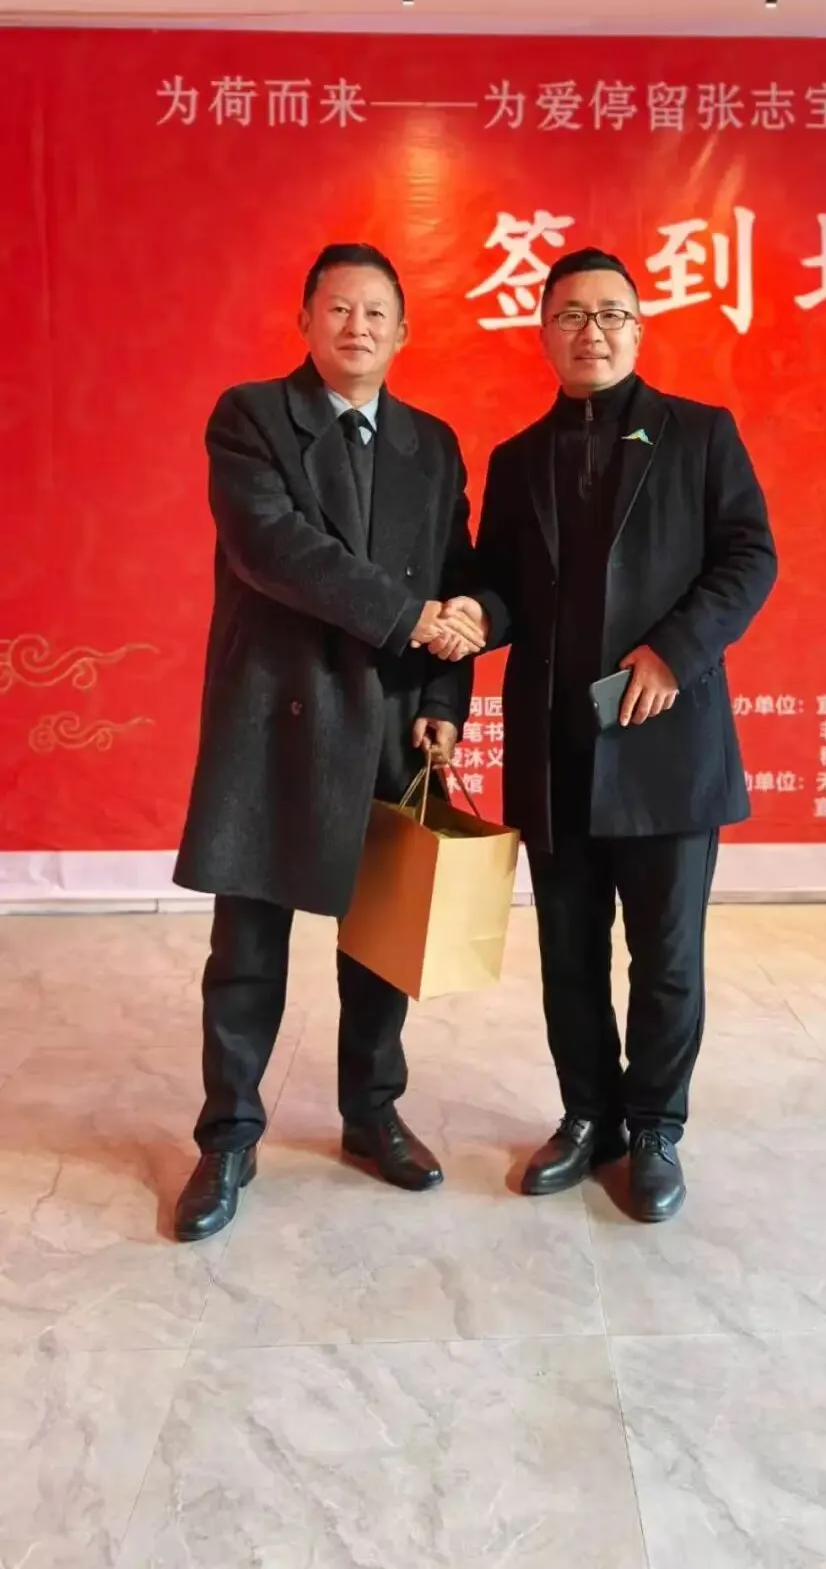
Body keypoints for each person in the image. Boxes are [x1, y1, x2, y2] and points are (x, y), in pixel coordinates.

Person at [172, 242, 483, 1242]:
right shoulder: (252, 417)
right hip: (278, 714)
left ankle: (371, 1113)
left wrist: (446, 693)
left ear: (404, 332)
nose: (358, 327)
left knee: (382, 939)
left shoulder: (431, 443)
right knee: (248, 945)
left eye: (376, 312)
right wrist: (410, 617)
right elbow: (273, 547)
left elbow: (457, 572)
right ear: (305, 320)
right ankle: (229, 1135)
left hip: (392, 715)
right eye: (339, 308)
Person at [459, 247, 777, 1223]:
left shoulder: (699, 434)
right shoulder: (518, 460)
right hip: (558, 748)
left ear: (638, 330)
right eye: (570, 315)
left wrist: (673, 654)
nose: (590, 332)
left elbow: (749, 557)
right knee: (569, 954)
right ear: (543, 333)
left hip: (664, 740)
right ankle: (588, 1116)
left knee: (667, 958)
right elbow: (503, 586)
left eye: (610, 315)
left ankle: (656, 1129)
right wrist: (469, 614)